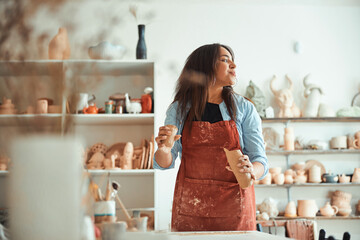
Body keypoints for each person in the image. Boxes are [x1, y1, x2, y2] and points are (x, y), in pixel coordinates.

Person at [154, 43, 268, 232]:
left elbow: (260, 160)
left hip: (235, 207)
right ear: (204, 67)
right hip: (191, 206)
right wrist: (163, 149)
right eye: (225, 60)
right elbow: (165, 163)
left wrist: (251, 170)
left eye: (233, 61)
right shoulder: (179, 109)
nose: (233, 66)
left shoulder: (245, 108)